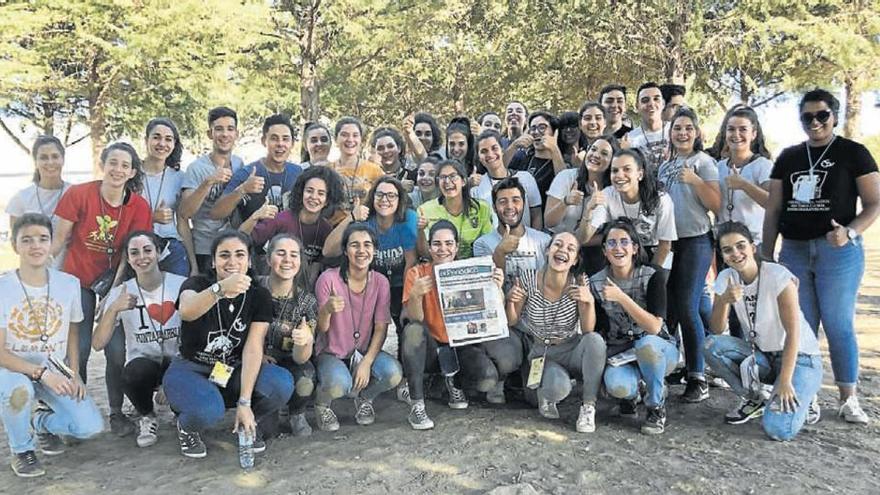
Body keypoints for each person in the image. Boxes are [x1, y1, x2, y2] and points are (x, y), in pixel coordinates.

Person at [762, 88, 880, 424]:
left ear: (834, 116)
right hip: (795, 249)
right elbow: (773, 210)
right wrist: (766, 253)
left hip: (837, 251)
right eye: (807, 117)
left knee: (838, 323)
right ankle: (808, 394)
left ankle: (848, 397)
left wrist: (850, 232)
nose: (814, 122)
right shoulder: (788, 157)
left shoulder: (853, 153)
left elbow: (874, 203)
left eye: (822, 115)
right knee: (800, 325)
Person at [164, 230, 293, 459]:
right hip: (191, 368)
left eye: (239, 255)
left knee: (280, 383)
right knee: (208, 410)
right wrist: (220, 289)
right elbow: (187, 311)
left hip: (232, 369)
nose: (232, 262)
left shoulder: (258, 295)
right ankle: (187, 426)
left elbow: (254, 347)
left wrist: (245, 401)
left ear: (249, 260)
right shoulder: (197, 284)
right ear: (213, 261)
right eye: (224, 255)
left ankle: (248, 420)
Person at [52, 142, 152, 437]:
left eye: (125, 165)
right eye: (113, 163)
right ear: (103, 164)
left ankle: (116, 412)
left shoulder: (138, 206)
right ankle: (75, 411)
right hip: (78, 281)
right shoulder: (79, 194)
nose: (118, 170)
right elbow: (59, 239)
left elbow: (129, 253)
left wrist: (113, 293)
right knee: (79, 350)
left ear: (132, 171)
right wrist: (42, 274)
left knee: (117, 350)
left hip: (116, 282)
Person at [0, 214, 103, 478]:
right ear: (15, 246)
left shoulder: (68, 284)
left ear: (51, 242)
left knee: (89, 427)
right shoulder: (3, 287)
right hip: (12, 368)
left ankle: (40, 422)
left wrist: (75, 373)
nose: (36, 246)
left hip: (53, 367)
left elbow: (73, 331)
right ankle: (22, 449)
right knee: (19, 392)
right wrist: (41, 374)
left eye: (42, 239)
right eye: (27, 240)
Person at [706, 222, 823, 440]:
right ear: (721, 255)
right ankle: (755, 398)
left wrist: (786, 380)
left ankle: (806, 395)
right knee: (711, 346)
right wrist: (723, 301)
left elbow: (793, 333)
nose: (736, 253)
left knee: (778, 430)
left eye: (741, 246)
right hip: (764, 356)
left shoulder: (778, 276)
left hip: (800, 358)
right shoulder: (726, 278)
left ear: (753, 247)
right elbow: (716, 329)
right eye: (728, 250)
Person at [401, 220, 520, 429]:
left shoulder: (470, 270)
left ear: (456, 247)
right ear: (429, 247)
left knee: (487, 379)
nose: (443, 249)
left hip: (461, 345)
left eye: (448, 243)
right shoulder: (417, 274)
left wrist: (497, 288)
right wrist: (415, 295)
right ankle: (417, 403)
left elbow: (493, 314)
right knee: (413, 331)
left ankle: (450, 382)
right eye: (437, 244)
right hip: (431, 347)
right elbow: (415, 319)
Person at [506, 232, 605, 433]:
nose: (562, 250)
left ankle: (588, 407)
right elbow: (512, 320)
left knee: (595, 341)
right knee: (558, 388)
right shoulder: (527, 278)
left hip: (571, 347)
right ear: (547, 250)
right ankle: (551, 391)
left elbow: (587, 330)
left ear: (575, 259)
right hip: (542, 351)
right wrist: (510, 300)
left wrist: (589, 301)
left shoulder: (579, 281)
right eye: (557, 245)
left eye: (570, 248)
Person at [93, 230, 185, 448]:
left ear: (159, 253)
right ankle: (147, 415)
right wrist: (114, 308)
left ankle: (181, 412)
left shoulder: (181, 285)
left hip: (179, 361)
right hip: (144, 363)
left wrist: (172, 381)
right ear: (128, 259)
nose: (142, 257)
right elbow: (97, 343)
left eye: (147, 250)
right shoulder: (121, 292)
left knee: (186, 385)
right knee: (133, 373)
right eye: (134, 253)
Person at [656, 107, 720, 402]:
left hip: (696, 241)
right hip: (669, 243)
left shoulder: (704, 163)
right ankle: (669, 365)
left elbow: (717, 204)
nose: (682, 133)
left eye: (687, 128)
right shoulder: (664, 167)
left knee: (687, 306)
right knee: (667, 305)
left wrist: (696, 182)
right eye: (677, 128)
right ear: (670, 134)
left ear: (696, 133)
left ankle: (698, 375)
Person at [313, 223, 403, 431]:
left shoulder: (380, 282)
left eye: (367, 245)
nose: (361, 251)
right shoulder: (328, 279)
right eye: (355, 245)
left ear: (374, 250)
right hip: (331, 352)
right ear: (345, 250)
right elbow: (321, 329)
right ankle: (322, 404)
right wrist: (326, 310)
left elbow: (381, 327)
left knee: (393, 373)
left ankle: (364, 398)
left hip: (362, 351)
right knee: (339, 384)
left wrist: (367, 362)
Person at [591, 220, 677, 435]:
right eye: (611, 243)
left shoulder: (652, 275)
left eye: (623, 242)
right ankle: (634, 393)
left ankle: (655, 406)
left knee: (647, 344)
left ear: (635, 248)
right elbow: (598, 331)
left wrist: (621, 298)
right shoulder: (595, 283)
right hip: (621, 352)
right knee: (617, 386)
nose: (617, 248)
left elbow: (655, 327)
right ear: (604, 250)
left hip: (658, 349)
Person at [325, 177, 417, 364]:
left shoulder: (407, 220)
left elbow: (411, 262)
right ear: (372, 197)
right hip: (371, 283)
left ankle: (407, 376)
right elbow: (329, 250)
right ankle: (350, 362)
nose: (385, 199)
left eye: (392, 195)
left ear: (400, 200)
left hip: (401, 281)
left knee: (407, 325)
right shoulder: (366, 221)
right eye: (380, 194)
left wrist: (407, 301)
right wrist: (351, 217)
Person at [246, 166, 346, 285]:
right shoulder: (280, 219)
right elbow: (245, 239)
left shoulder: (326, 230)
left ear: (328, 200)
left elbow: (316, 268)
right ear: (301, 192)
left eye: (321, 193)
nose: (314, 197)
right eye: (309, 191)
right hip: (271, 285)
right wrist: (255, 217)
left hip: (301, 291)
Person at [258, 234, 317, 437]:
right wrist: (257, 357)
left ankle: (296, 413)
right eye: (280, 253)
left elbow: (301, 358)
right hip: (254, 362)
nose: (287, 260)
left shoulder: (307, 301)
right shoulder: (253, 288)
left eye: (294, 255)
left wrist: (305, 341)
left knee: (306, 375)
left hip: (288, 361)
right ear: (268, 258)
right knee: (267, 433)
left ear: (300, 262)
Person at [580, 149, 676, 268]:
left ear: (640, 174)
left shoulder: (661, 199)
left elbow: (665, 245)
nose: (619, 175)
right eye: (615, 170)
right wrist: (588, 210)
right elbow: (584, 238)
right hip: (622, 250)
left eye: (627, 169)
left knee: (660, 279)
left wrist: (648, 276)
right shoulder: (607, 195)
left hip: (653, 252)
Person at [178, 106, 244, 274]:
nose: (225, 134)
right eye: (219, 129)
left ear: (236, 133)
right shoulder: (197, 168)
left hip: (232, 249)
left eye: (230, 129)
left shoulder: (239, 164)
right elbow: (185, 212)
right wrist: (209, 182)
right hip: (205, 249)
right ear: (210, 134)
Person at [211, 114, 303, 224]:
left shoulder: (299, 173)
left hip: (290, 239)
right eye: (274, 138)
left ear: (292, 143)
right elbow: (215, 213)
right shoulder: (247, 173)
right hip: (252, 239)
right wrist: (243, 189)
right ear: (264, 141)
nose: (280, 144)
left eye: (285, 139)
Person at [140, 117, 195, 276]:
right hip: (139, 249)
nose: (162, 144)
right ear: (146, 140)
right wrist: (151, 217)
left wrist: (194, 265)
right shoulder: (131, 174)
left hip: (172, 250)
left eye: (168, 139)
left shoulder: (180, 177)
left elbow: (183, 222)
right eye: (156, 137)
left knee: (177, 299)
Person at [6, 136, 72, 267]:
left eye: (55, 156)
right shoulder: (21, 199)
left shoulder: (75, 194)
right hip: (34, 276)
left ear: (63, 159)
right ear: (35, 162)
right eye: (43, 157)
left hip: (70, 275)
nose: (50, 162)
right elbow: (16, 245)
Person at [715, 106, 773, 245]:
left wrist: (744, 185)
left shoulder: (763, 165)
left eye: (743, 129)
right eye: (731, 129)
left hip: (753, 244)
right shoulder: (719, 167)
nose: (736, 134)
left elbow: (772, 203)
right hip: (724, 245)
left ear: (753, 134)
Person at [474, 177, 550, 281]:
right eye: (502, 201)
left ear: (524, 203)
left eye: (515, 200)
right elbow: (489, 286)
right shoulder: (482, 244)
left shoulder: (544, 241)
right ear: (494, 208)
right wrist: (499, 252)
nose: (510, 206)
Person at [417, 160, 493, 259]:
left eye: (453, 176)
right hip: (439, 266)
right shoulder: (424, 210)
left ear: (463, 181)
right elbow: (426, 254)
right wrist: (420, 231)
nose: (447, 182)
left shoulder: (482, 208)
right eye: (443, 177)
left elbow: (487, 246)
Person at [546, 134, 616, 236]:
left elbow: (609, 234)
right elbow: (549, 222)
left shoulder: (613, 190)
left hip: (593, 246)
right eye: (593, 149)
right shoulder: (566, 177)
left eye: (604, 153)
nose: (596, 155)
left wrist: (578, 242)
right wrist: (565, 202)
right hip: (558, 240)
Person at [472, 130, 543, 228]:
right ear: (479, 158)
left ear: (502, 150)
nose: (490, 154)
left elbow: (536, 215)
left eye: (494, 148)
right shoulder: (476, 187)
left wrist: (535, 240)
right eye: (484, 151)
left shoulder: (525, 178)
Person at [505, 111, 567, 204]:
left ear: (554, 132)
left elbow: (563, 186)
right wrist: (514, 146)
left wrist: (554, 149)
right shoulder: (523, 157)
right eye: (533, 128)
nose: (536, 132)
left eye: (542, 128)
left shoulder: (561, 161)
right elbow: (499, 169)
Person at [330, 116, 385, 206]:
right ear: (336, 139)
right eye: (344, 135)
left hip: (365, 220)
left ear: (361, 140)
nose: (350, 139)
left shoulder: (374, 170)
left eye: (355, 135)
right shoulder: (327, 170)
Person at [626, 82, 671, 174]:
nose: (651, 103)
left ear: (663, 104)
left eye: (656, 99)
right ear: (637, 107)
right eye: (645, 100)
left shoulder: (676, 129)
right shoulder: (630, 139)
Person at [371, 127, 416, 191]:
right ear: (375, 152)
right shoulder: (370, 178)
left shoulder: (412, 176)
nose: (386, 151)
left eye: (390, 146)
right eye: (380, 148)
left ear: (399, 148)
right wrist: (399, 186)